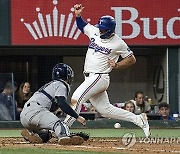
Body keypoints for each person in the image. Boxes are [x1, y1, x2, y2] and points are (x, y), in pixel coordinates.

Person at [64, 4, 150, 138]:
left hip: (100, 77)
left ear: (110, 30)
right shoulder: (95, 31)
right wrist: (78, 16)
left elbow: (131, 59)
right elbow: (83, 26)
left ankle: (63, 129)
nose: (100, 30)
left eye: (103, 29)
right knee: (105, 110)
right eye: (100, 27)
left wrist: (117, 65)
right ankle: (138, 119)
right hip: (90, 77)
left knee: (77, 98)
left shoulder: (118, 43)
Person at [20, 63, 86, 145]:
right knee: (60, 124)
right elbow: (62, 103)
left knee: (46, 135)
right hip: (37, 112)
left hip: (24, 116)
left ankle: (32, 134)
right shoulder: (61, 85)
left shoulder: (50, 85)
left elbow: (52, 108)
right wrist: (77, 116)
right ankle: (65, 137)